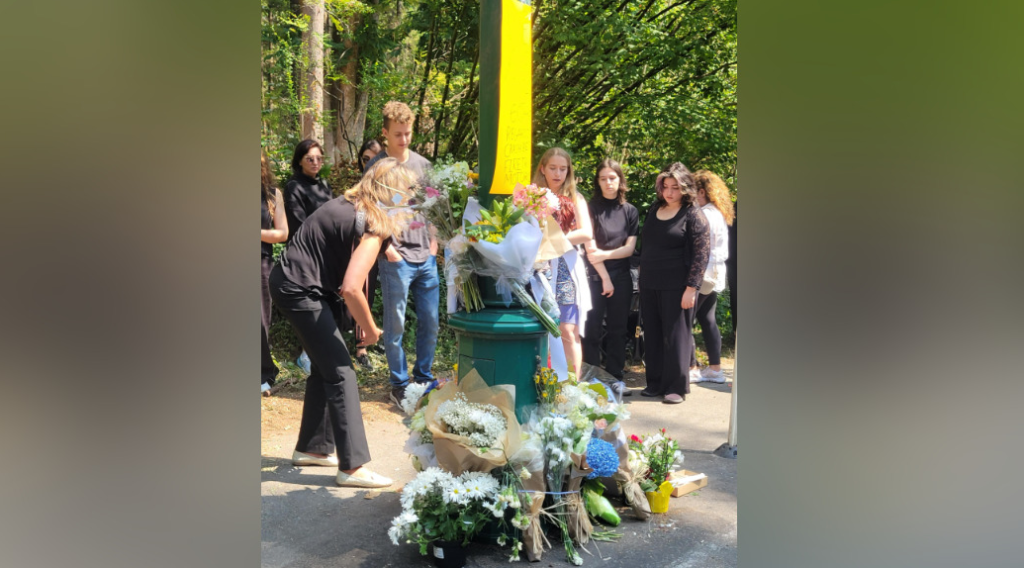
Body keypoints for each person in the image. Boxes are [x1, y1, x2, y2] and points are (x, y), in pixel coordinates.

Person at [269, 157, 416, 488]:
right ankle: (352, 467)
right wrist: (372, 328)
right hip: (299, 289)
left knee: (325, 366)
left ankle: (314, 448)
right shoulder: (373, 224)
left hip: (295, 283)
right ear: (391, 192)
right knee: (342, 371)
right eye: (406, 192)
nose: (409, 200)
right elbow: (351, 287)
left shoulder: (354, 205)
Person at [362, 102, 438, 406]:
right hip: (396, 257)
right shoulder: (376, 167)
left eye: (407, 133)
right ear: (385, 133)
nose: (404, 140)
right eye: (397, 134)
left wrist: (434, 244)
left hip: (426, 256)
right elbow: (367, 211)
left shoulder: (423, 166)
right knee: (396, 324)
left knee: (430, 320)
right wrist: (387, 247)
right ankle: (399, 383)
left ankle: (423, 377)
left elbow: (434, 207)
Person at [638, 163, 710, 404]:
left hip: (678, 286)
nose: (669, 193)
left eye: (675, 188)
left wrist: (692, 288)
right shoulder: (654, 209)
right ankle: (655, 383)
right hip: (650, 283)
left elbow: (701, 255)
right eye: (665, 187)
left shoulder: (693, 214)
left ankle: (676, 387)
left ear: (685, 188)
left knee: (676, 336)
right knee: (654, 334)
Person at [534, 147, 593, 379]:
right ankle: (545, 383)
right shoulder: (531, 196)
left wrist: (554, 241)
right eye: (553, 168)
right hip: (538, 268)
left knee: (568, 330)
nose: (558, 173)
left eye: (563, 168)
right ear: (543, 168)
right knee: (541, 328)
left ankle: (573, 385)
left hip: (566, 268)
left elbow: (586, 233)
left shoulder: (575, 197)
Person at [582, 159, 638, 396]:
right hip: (594, 276)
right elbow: (590, 250)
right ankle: (593, 378)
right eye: (603, 178)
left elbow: (629, 249)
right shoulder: (590, 208)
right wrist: (604, 277)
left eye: (612, 178)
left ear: (620, 180)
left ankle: (615, 377)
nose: (608, 183)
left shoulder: (630, 211)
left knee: (618, 329)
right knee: (592, 329)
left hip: (623, 276)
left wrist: (605, 255)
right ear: (598, 181)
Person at [284, 139, 333, 374]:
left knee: (327, 304)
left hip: (327, 253)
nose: (315, 163)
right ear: (300, 161)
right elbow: (299, 223)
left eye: (319, 158)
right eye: (309, 159)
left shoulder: (323, 184)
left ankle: (321, 351)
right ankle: (305, 355)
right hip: (305, 255)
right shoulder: (294, 187)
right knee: (309, 305)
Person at [688, 170, 734, 384]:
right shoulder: (717, 212)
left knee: (684, 320)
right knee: (707, 320)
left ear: (701, 192)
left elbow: (699, 249)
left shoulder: (704, 213)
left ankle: (691, 368)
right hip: (716, 272)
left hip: (704, 272)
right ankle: (715, 369)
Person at [348, 137, 384, 369]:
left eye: (376, 159)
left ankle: (374, 337)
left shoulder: (389, 186)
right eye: (365, 159)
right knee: (360, 288)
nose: (370, 164)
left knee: (372, 293)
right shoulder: (357, 188)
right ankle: (360, 346)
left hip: (386, 247)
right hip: (361, 245)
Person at [261, 151, 289, 395]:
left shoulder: (273, 194)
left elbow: (282, 233)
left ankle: (264, 373)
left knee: (260, 320)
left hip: (260, 261)